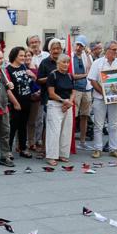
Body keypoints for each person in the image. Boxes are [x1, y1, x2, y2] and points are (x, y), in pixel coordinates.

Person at [86, 40, 117, 158]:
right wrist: (104, 93)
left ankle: (113, 149)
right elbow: (92, 80)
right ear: (107, 50)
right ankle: (97, 149)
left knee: (114, 124)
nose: (116, 51)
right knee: (98, 124)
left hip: (115, 98)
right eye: (113, 49)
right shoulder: (98, 63)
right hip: (100, 98)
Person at [41, 38, 76, 166]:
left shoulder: (70, 76)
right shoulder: (53, 75)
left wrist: (70, 102)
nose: (66, 65)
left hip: (68, 105)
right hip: (55, 105)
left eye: (67, 62)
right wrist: (63, 101)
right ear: (58, 63)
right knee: (54, 131)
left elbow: (73, 91)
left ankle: (63, 154)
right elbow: (51, 93)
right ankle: (51, 156)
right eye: (63, 62)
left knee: (66, 131)